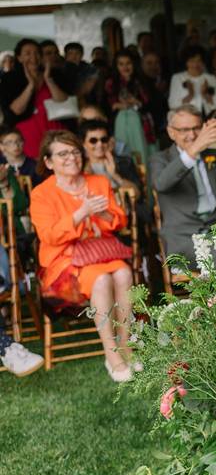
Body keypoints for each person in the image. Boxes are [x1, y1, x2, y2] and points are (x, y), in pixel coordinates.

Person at [29, 130, 135, 382]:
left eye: (75, 151)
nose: (71, 157)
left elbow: (118, 220)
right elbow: (49, 236)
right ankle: (111, 354)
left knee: (123, 272)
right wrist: (81, 213)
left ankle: (126, 344)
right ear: (48, 162)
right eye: (62, 153)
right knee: (101, 280)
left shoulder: (98, 182)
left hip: (100, 251)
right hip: (64, 260)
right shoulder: (41, 194)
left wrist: (102, 214)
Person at [149, 105, 216, 270]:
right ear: (171, 132)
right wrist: (194, 149)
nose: (192, 135)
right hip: (183, 237)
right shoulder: (160, 159)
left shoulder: (214, 154)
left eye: (196, 128)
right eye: (184, 130)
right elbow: (161, 184)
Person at [0, 39, 69, 159]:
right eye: (28, 53)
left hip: (56, 130)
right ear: (19, 57)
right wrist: (31, 85)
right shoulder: (10, 79)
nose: (34, 57)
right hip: (27, 134)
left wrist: (48, 79)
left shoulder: (55, 74)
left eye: (37, 53)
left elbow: (62, 101)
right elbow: (16, 110)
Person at [104, 49, 160, 163]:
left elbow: (154, 106)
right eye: (121, 64)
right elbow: (106, 107)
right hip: (119, 124)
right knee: (124, 155)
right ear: (116, 66)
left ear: (134, 64)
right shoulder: (110, 83)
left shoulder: (143, 81)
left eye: (128, 63)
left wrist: (137, 103)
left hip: (141, 125)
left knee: (143, 155)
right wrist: (117, 105)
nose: (125, 67)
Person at [168, 45, 216, 117]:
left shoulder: (211, 78)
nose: (195, 64)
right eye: (191, 61)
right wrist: (190, 94)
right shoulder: (177, 78)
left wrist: (205, 94)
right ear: (186, 62)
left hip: (208, 119)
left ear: (203, 62)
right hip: (186, 120)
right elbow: (172, 105)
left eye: (199, 60)